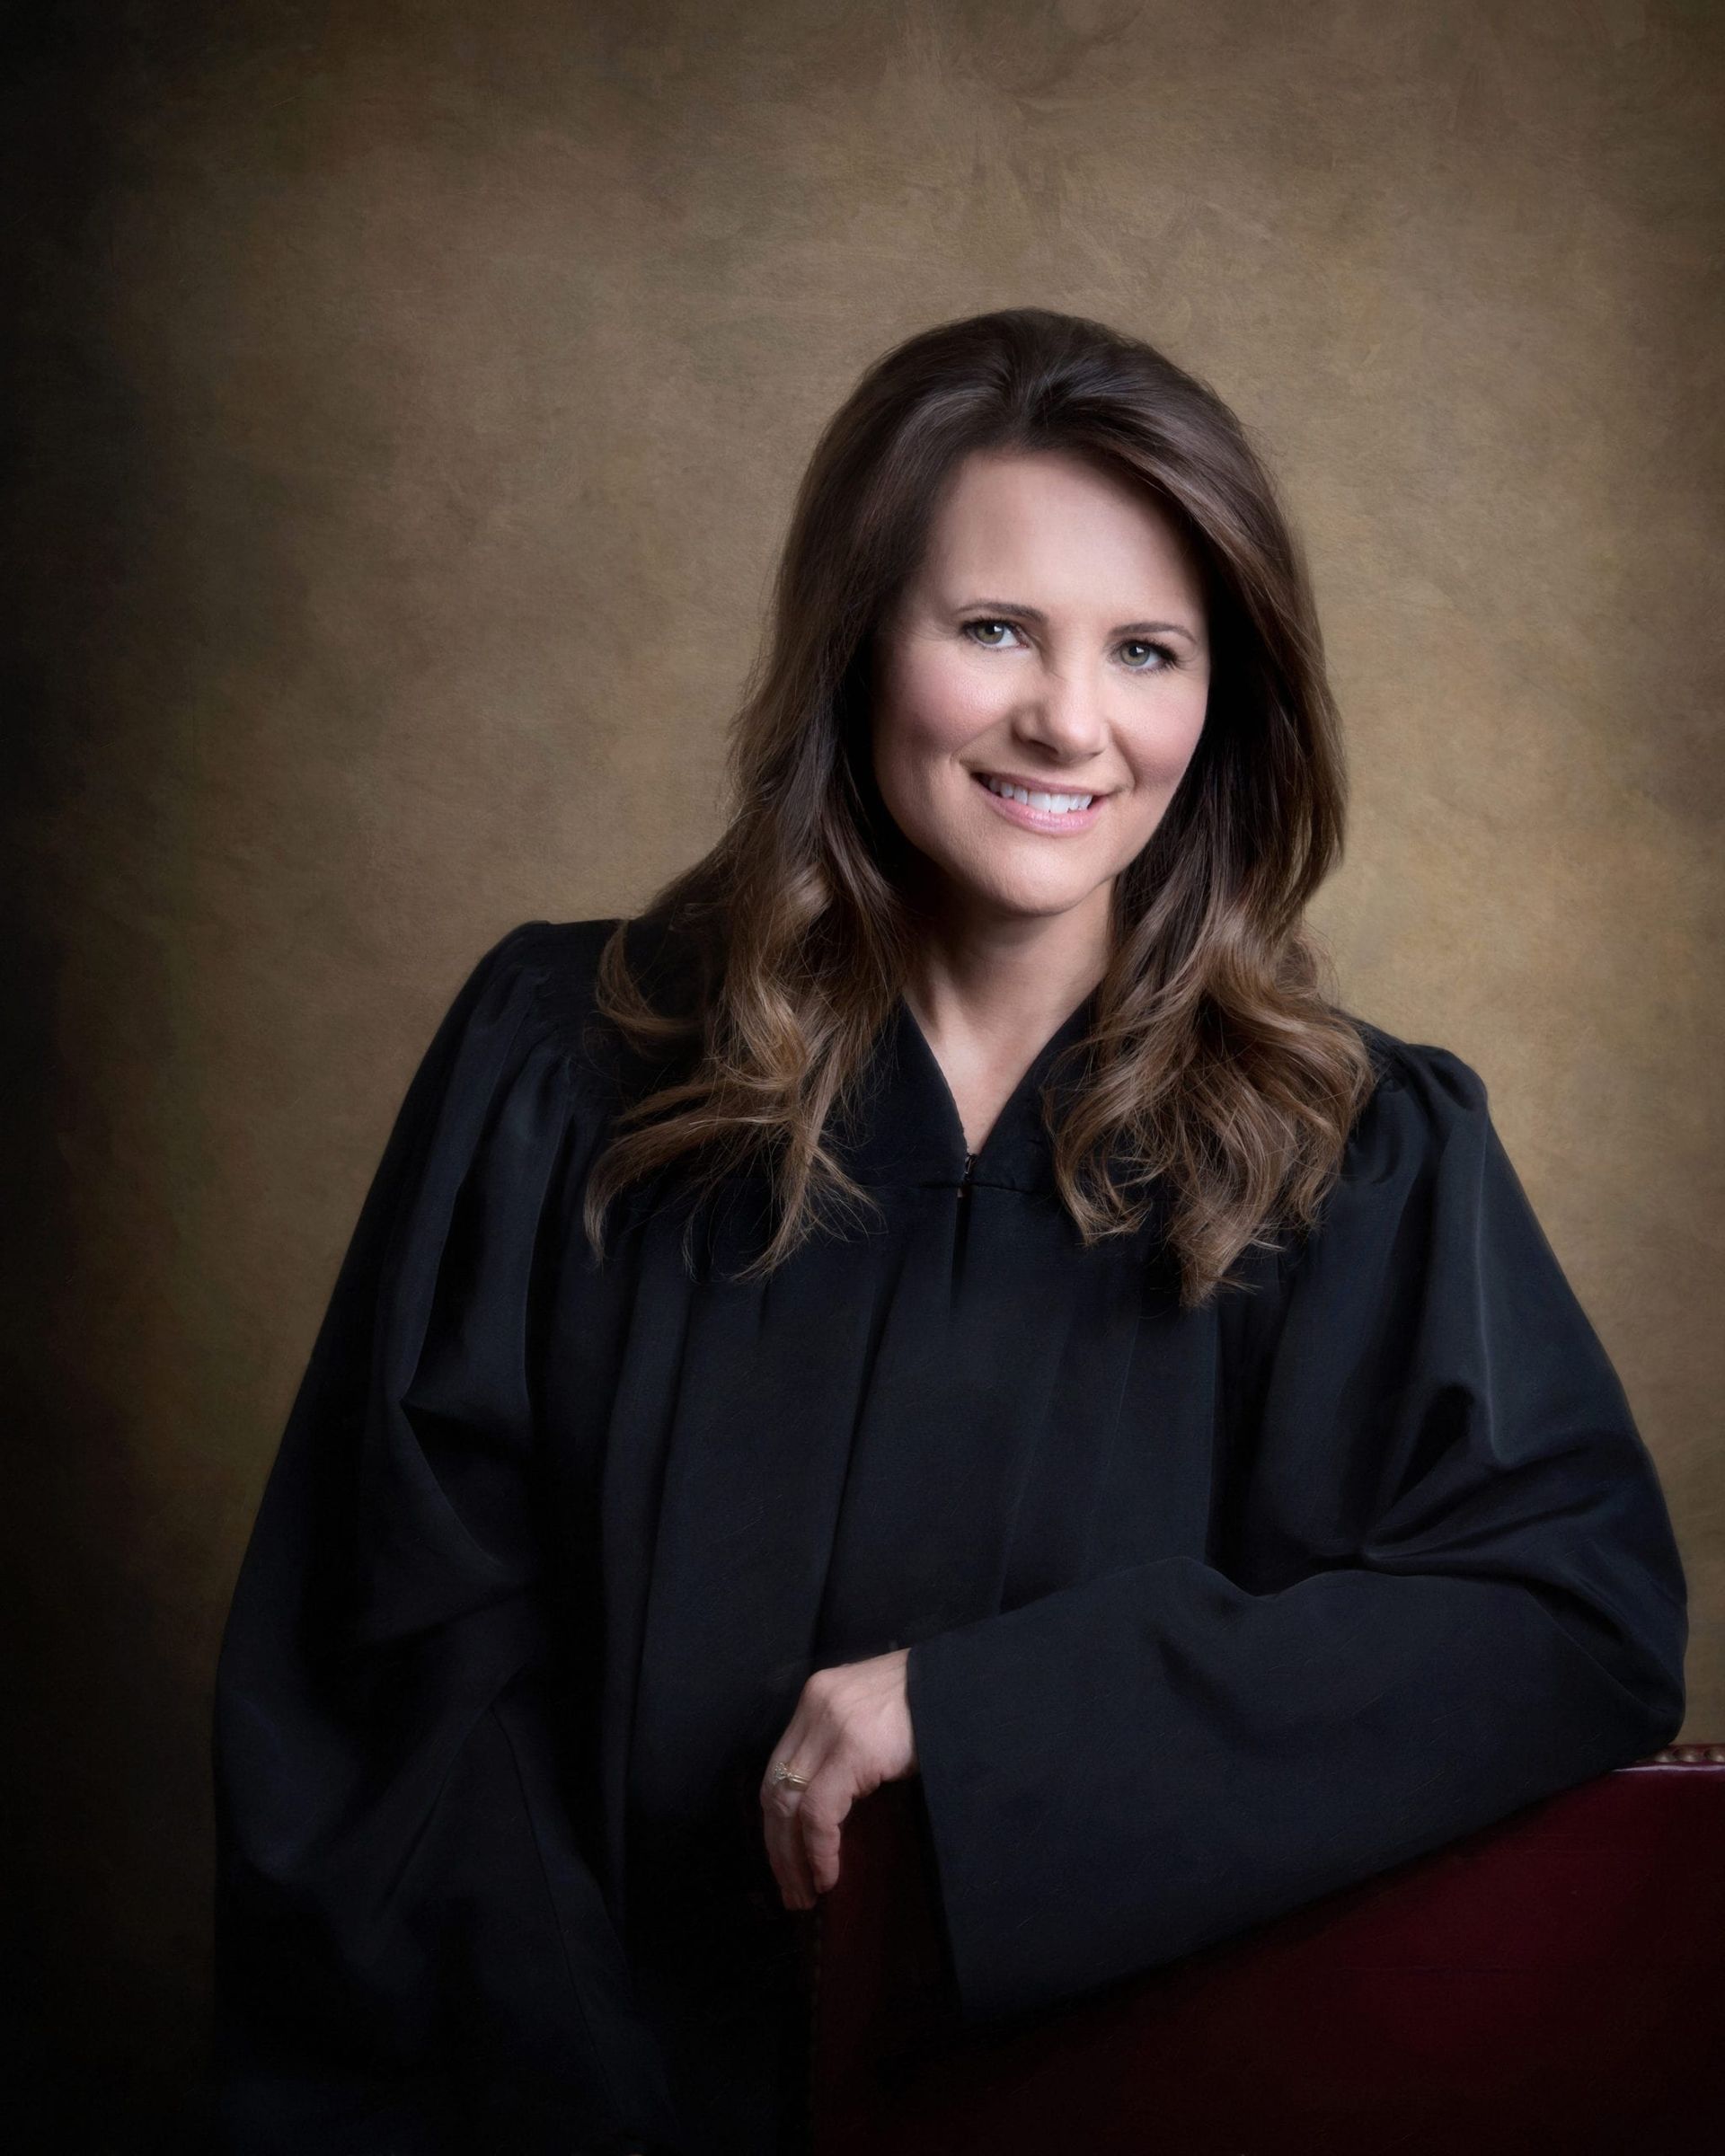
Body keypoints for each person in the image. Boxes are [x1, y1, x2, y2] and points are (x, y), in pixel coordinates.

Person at [210, 307, 1689, 2156]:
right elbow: (393, 1693)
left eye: (1147, 651)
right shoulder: (568, 1067)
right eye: (995, 629)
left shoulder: (1352, 1155)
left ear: (1221, 701)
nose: (1070, 720)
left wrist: (987, 1722)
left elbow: (1570, 1621)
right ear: (857, 646)